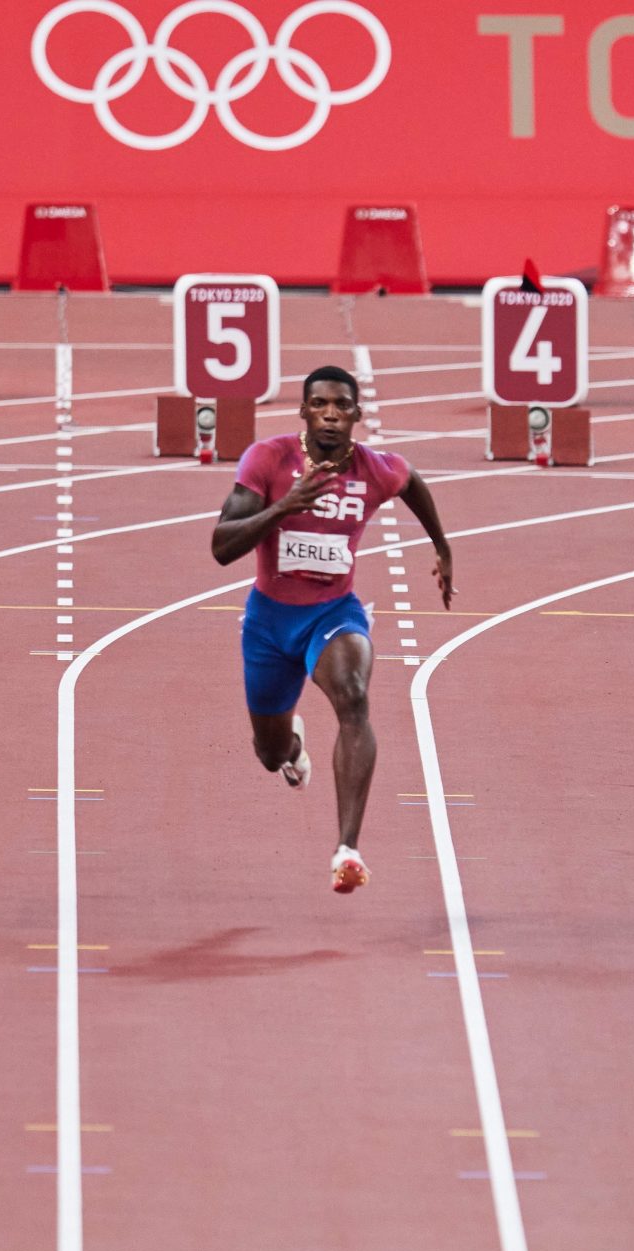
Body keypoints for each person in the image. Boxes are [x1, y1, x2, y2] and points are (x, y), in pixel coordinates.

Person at [211, 365, 455, 893]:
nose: (329, 413)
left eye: (341, 406)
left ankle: (348, 848)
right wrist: (285, 507)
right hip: (270, 624)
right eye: (319, 404)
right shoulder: (269, 459)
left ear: (356, 416)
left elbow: (411, 483)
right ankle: (293, 751)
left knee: (353, 696)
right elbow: (222, 547)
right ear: (303, 411)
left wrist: (441, 546)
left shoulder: (374, 469)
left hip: (333, 613)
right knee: (269, 753)